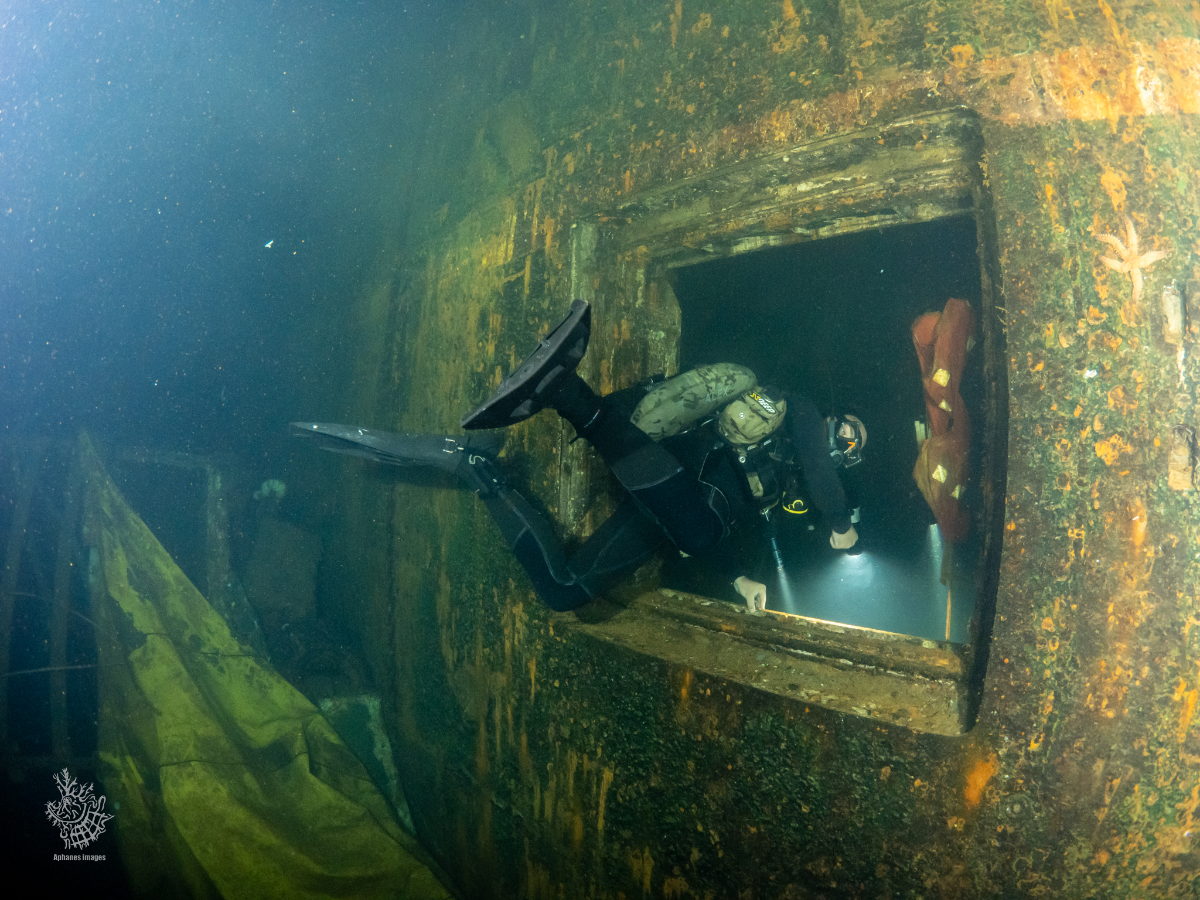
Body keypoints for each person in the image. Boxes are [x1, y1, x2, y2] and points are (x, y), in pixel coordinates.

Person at [293, 300, 865, 614]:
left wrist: (738, 578)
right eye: (847, 431)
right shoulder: (803, 413)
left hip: (668, 501)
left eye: (850, 448)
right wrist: (842, 528)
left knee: (565, 591)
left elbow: (727, 525)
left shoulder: (789, 470)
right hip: (677, 477)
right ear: (836, 418)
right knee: (701, 534)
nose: (840, 442)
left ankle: (473, 466)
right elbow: (819, 478)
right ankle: (564, 391)